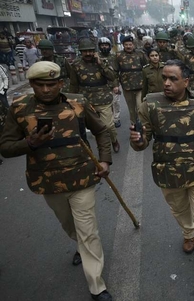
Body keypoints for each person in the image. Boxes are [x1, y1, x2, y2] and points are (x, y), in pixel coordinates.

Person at [0, 61, 115, 301]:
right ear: (31, 85)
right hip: (48, 181)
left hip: (82, 177)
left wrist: (104, 161)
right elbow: (6, 148)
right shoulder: (19, 108)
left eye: (51, 84)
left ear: (60, 83)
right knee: (69, 225)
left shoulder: (78, 103)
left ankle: (97, 286)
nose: (46, 90)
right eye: (40, 85)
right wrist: (30, 143)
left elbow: (102, 130)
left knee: (88, 230)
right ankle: (79, 245)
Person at [129, 59, 194, 283]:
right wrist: (137, 139)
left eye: (173, 79)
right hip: (169, 172)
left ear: (186, 81)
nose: (166, 83)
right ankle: (187, 232)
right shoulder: (150, 105)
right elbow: (141, 143)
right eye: (164, 78)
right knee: (180, 210)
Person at [69, 39, 121, 153]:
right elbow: (73, 84)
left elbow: (112, 77)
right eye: (85, 51)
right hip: (86, 100)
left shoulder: (102, 62)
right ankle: (102, 149)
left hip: (103, 99)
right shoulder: (76, 65)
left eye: (90, 51)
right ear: (80, 52)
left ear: (95, 51)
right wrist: (72, 100)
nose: (88, 54)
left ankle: (114, 140)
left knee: (108, 126)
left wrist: (100, 64)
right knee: (94, 128)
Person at [113, 35, 147, 124]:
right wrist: (116, 85)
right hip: (127, 86)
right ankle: (134, 126)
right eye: (126, 44)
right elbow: (115, 71)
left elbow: (147, 67)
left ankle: (142, 127)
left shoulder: (140, 54)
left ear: (133, 45)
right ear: (123, 45)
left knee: (140, 107)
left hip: (140, 85)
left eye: (130, 44)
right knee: (131, 110)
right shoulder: (119, 55)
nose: (128, 46)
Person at [98, 37, 122, 128]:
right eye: (102, 45)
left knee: (115, 102)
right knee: (105, 104)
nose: (104, 47)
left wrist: (116, 85)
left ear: (109, 46)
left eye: (106, 45)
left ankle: (116, 119)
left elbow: (116, 72)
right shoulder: (97, 57)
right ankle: (108, 120)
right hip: (101, 85)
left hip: (113, 83)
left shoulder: (114, 57)